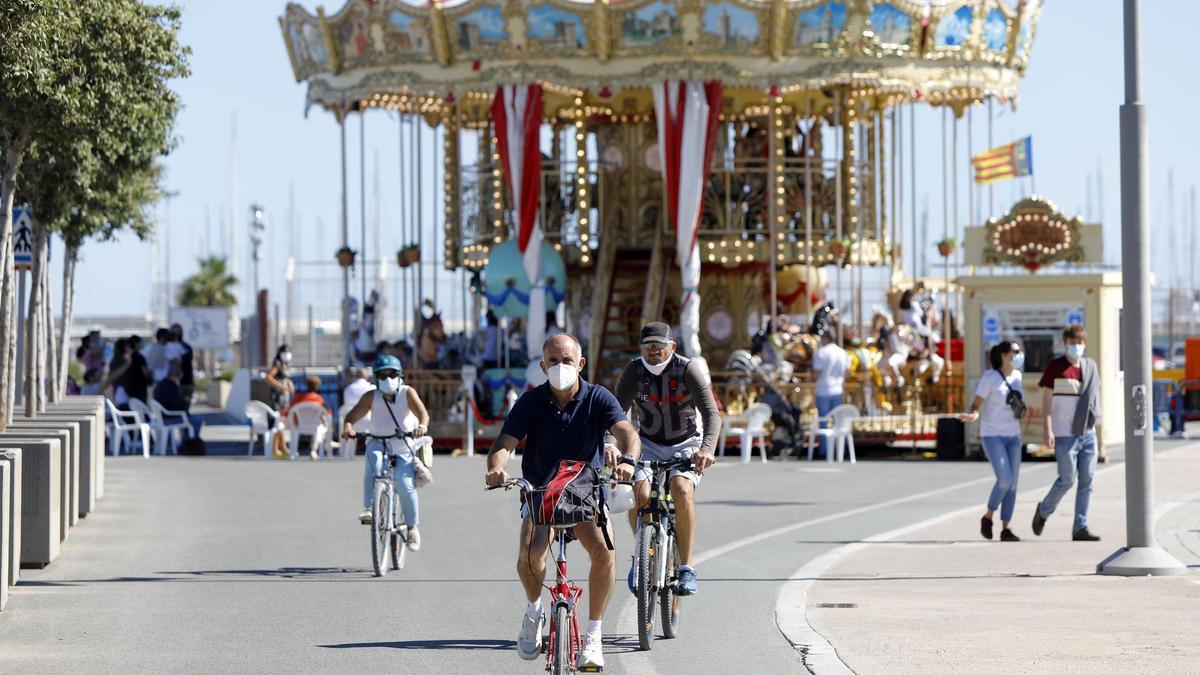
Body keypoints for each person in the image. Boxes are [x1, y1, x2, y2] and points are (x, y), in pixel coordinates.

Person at [484, 334, 640, 670]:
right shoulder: (529, 402)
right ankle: (533, 611)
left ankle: (594, 634)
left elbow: (628, 432)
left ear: (580, 364)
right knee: (529, 553)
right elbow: (503, 444)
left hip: (586, 490)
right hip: (541, 491)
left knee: (604, 550)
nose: (560, 366)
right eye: (553, 361)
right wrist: (497, 469)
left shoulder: (598, 397)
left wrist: (628, 459)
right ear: (543, 366)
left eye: (566, 360)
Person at [614, 322, 720, 596]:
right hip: (647, 443)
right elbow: (616, 415)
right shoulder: (633, 370)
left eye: (659, 345)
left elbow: (711, 414)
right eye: (648, 345)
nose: (653, 351)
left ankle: (686, 567)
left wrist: (707, 449)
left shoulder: (687, 369)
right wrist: (612, 447)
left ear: (671, 347)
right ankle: (641, 554)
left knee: (681, 489)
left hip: (686, 443)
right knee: (639, 493)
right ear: (641, 348)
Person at [342, 355, 430, 549]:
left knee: (406, 485)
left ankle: (412, 528)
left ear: (399, 375)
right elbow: (352, 415)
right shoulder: (371, 396)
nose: (387, 378)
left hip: (403, 444)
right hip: (378, 441)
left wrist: (422, 426)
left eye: (392, 374)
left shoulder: (408, 393)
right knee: (373, 461)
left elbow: (423, 414)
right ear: (376, 377)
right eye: (382, 375)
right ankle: (369, 507)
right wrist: (348, 427)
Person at [1032, 325, 1102, 542]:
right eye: (1073, 343)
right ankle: (1043, 511)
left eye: (1080, 342)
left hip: (1087, 433)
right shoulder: (1055, 367)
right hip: (1064, 434)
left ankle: (1080, 527)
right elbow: (1046, 402)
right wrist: (1048, 429)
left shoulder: (1090, 367)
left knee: (1087, 480)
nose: (1077, 346)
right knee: (1067, 479)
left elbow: (1094, 400)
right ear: (1065, 344)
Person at [959, 341, 1026, 542]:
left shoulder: (1017, 376)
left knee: (1013, 484)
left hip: (1013, 436)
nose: (1019, 355)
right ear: (1005, 356)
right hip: (992, 435)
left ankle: (1006, 528)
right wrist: (972, 415)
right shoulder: (989, 377)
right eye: (1016, 351)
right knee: (1004, 479)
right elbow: (976, 404)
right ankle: (988, 516)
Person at [811, 329, 850, 460]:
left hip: (823, 389)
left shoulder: (821, 353)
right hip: (837, 389)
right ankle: (841, 450)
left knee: (823, 422)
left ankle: (825, 450)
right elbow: (847, 372)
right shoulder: (843, 353)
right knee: (839, 422)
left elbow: (817, 373)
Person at [117, 335, 151, 408]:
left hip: (130, 387)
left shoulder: (128, 356)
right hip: (139, 388)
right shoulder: (139, 356)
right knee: (141, 407)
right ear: (136, 343)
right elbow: (145, 372)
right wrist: (150, 379)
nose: (143, 344)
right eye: (141, 342)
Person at [169, 324, 195, 410]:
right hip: (173, 383)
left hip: (187, 382)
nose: (176, 333)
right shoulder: (167, 347)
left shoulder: (186, 347)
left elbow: (181, 362)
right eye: (174, 331)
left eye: (178, 331)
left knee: (185, 408)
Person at [264, 345, 295, 411]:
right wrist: (282, 387)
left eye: (288, 352)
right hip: (278, 396)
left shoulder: (285, 364)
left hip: (285, 396)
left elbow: (285, 377)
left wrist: (290, 383)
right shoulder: (278, 363)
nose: (287, 354)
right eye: (285, 352)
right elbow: (268, 377)